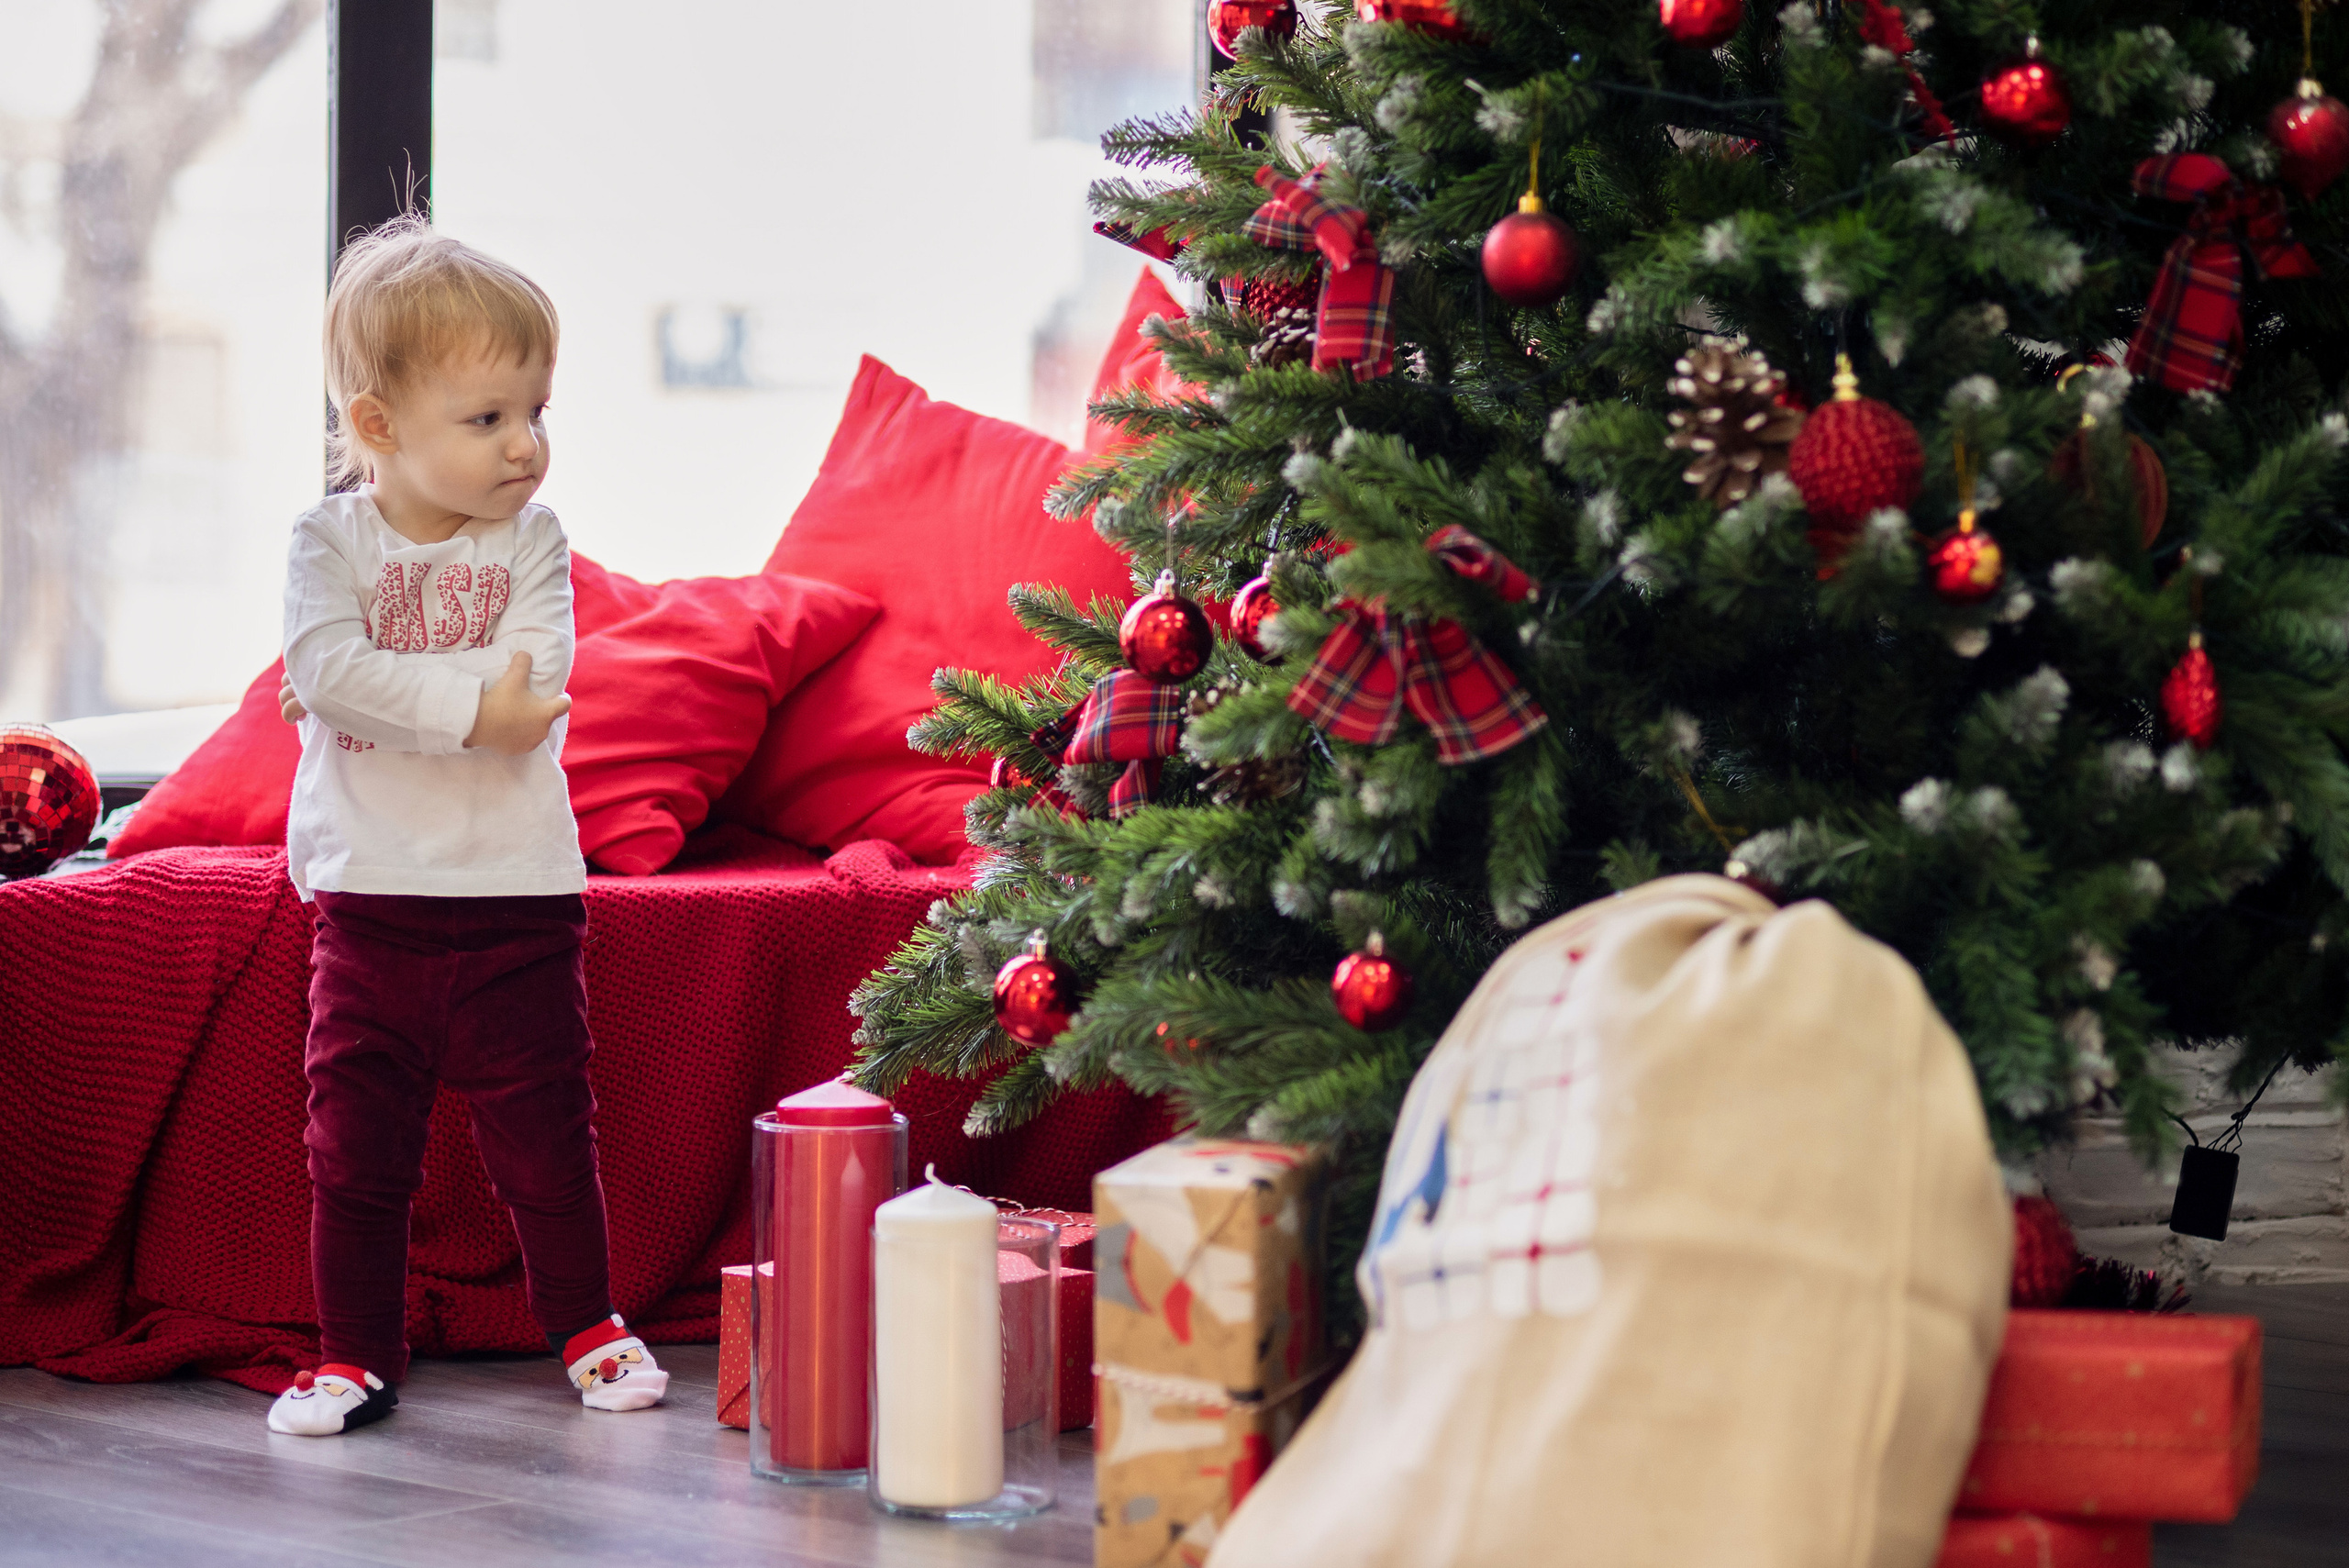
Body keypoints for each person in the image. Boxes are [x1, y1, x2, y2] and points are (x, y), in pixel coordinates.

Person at [266, 217, 663, 1436]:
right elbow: (329, 670)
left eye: (536, 411)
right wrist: (457, 704)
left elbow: (532, 690)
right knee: (355, 1151)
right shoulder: (327, 541)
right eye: (488, 417)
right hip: (370, 900)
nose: (526, 444)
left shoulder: (534, 540)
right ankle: (354, 1354)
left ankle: (588, 1323)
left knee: (548, 1138)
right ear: (379, 425)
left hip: (518, 896)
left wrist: (395, 694)